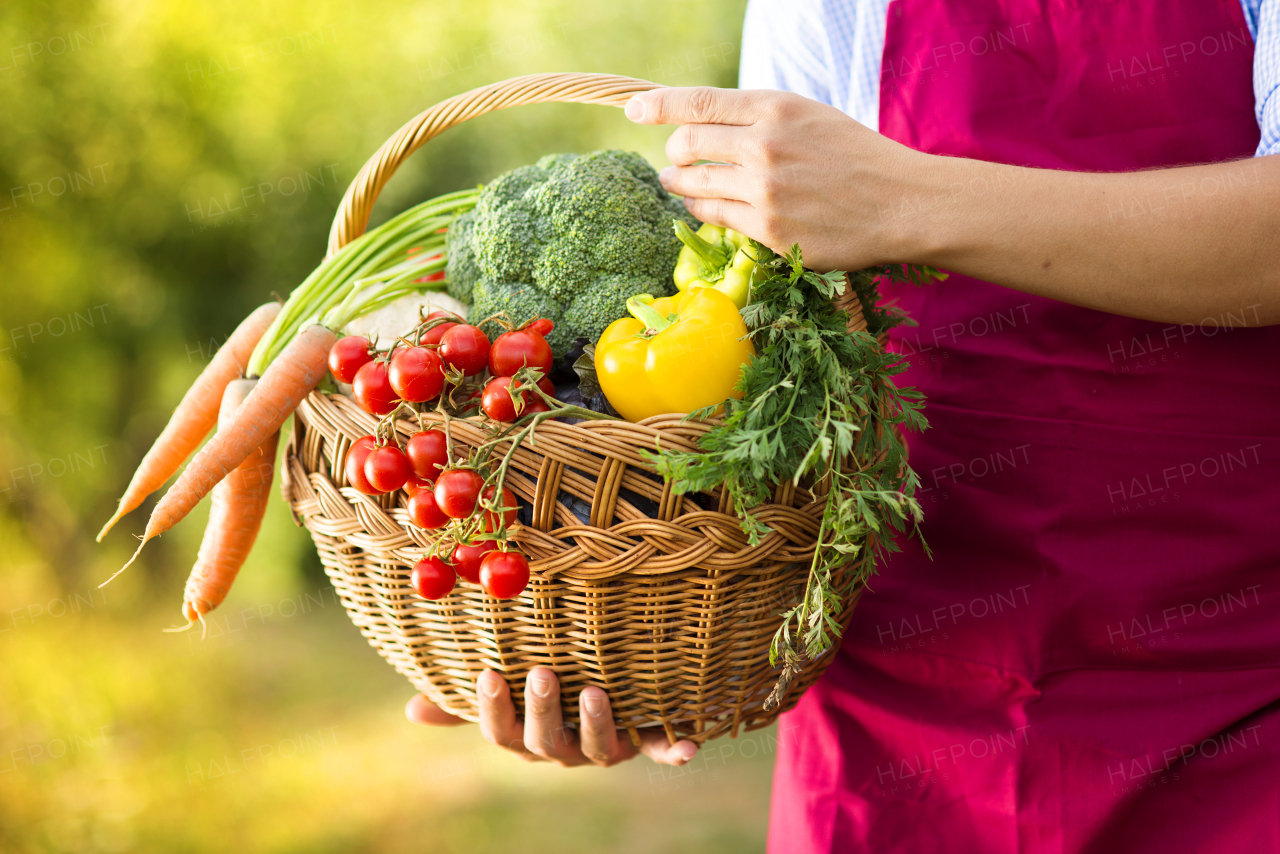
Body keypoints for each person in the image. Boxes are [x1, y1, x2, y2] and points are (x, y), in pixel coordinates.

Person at [410, 0, 1280, 849]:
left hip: (1231, 687)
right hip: (886, 703)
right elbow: (771, 335)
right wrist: (626, 657)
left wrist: (914, 202)